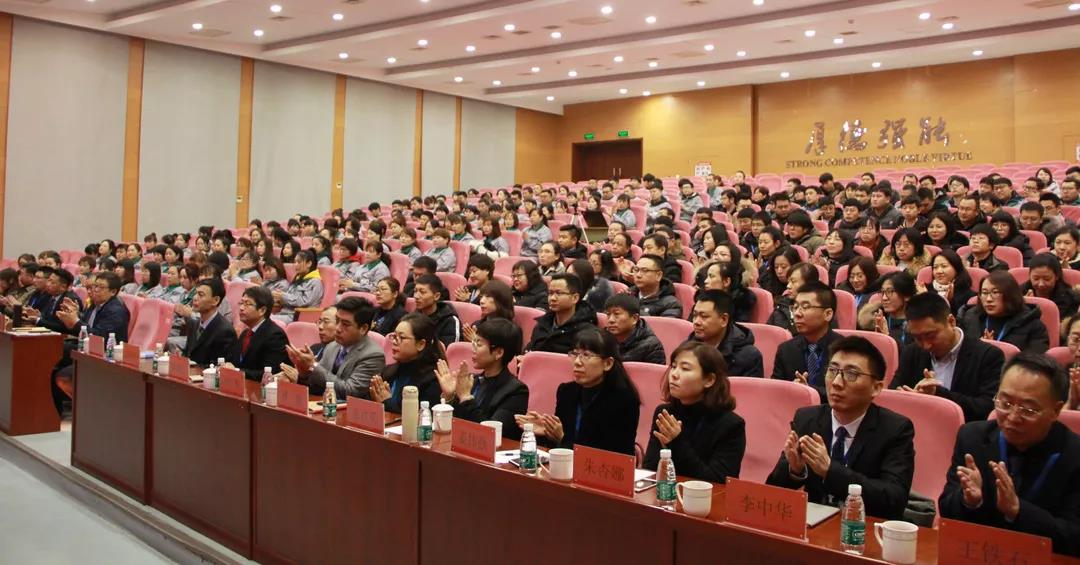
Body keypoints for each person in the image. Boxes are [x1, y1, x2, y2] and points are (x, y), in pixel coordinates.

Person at [940, 353, 1080, 557]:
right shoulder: (973, 437)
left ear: (1056, 410)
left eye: (1028, 410)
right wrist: (969, 501)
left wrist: (1018, 510)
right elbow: (946, 510)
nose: (1013, 417)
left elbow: (1074, 537)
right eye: (1005, 404)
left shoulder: (1074, 455)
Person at [767, 335, 915, 519]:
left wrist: (830, 471)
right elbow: (771, 492)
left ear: (876, 388)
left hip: (863, 527)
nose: (836, 382)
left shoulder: (895, 429)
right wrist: (796, 471)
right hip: (815, 526)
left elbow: (894, 499)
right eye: (832, 370)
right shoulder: (807, 418)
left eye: (851, 374)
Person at [516, 328, 641, 456]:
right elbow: (559, 446)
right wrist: (547, 431)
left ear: (607, 363)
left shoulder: (624, 400)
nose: (577, 362)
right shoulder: (566, 392)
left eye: (586, 355)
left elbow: (610, 455)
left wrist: (562, 438)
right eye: (575, 354)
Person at [891, 293, 1005, 422]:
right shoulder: (912, 352)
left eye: (931, 336)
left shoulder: (988, 356)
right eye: (917, 338)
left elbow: (987, 408)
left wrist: (937, 395)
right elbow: (893, 391)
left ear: (951, 321)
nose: (926, 345)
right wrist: (904, 398)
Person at [643, 341, 745, 483]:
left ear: (709, 380)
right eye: (673, 367)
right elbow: (650, 470)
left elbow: (717, 482)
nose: (674, 374)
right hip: (664, 492)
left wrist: (676, 442)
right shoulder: (665, 413)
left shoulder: (731, 425)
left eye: (685, 369)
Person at [436, 318, 529, 440]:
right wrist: (449, 397)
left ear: (498, 353)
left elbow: (490, 435)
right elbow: (455, 423)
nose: (473, 349)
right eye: (473, 343)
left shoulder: (516, 391)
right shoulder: (473, 380)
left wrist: (465, 398)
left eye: (479, 345)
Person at [282, 297, 386, 399]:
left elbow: (351, 392)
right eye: (337, 321)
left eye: (345, 324)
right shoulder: (332, 346)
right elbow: (317, 386)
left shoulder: (373, 355)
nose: (338, 328)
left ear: (363, 328)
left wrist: (313, 365)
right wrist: (303, 372)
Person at [773, 281, 840, 402]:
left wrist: (807, 391)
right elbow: (775, 392)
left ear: (828, 314)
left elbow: (849, 393)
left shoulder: (845, 351)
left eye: (805, 307)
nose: (797, 314)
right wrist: (791, 389)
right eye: (795, 307)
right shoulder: (786, 349)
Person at [368, 313, 445, 412]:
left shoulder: (432, 380)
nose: (394, 342)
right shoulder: (388, 371)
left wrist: (387, 402)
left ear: (420, 344)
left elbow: (421, 417)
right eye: (394, 336)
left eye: (402, 338)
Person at [958, 271, 1049, 354]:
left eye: (995, 292)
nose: (989, 299)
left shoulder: (1032, 324)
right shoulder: (970, 318)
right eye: (984, 293)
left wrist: (999, 350)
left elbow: (1035, 361)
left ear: (1010, 295)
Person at [688, 289, 764, 377]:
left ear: (724, 319)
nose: (696, 322)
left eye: (704, 316)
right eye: (694, 315)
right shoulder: (689, 346)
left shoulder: (749, 356)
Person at [225, 286, 290, 381]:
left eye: (247, 304)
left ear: (262, 310)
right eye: (241, 303)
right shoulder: (245, 333)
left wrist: (236, 371)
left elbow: (270, 374)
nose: (241, 308)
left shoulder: (275, 336)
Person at [526, 274, 598, 354]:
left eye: (559, 293)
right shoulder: (543, 324)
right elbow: (529, 350)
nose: (552, 298)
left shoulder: (587, 332)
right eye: (550, 293)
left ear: (575, 298)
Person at [181, 278, 237, 367]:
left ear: (215, 300)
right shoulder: (194, 323)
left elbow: (219, 367)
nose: (195, 298)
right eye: (195, 293)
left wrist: (193, 366)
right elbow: (187, 354)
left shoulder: (225, 331)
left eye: (201, 295)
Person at [603, 294, 666, 365]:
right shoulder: (602, 338)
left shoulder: (652, 346)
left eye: (616, 314)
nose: (610, 320)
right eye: (608, 314)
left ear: (635, 318)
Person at [858, 271, 915, 348]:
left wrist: (887, 338)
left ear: (906, 295)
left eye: (890, 291)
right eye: (883, 292)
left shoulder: (917, 326)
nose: (884, 298)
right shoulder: (872, 321)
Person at [1021, 253, 1080, 320]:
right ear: (1029, 276)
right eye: (1036, 279)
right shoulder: (1019, 293)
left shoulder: (1070, 299)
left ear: (1057, 276)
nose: (1041, 284)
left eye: (1047, 279)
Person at [271, 249, 323, 324]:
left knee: (264, 321)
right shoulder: (298, 278)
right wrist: (279, 297)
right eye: (294, 262)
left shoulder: (315, 282)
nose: (295, 265)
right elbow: (290, 297)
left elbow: (304, 302)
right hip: (283, 313)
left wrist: (283, 296)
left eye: (299, 262)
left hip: (295, 316)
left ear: (309, 263)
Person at [412, 274, 462, 347]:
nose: (416, 296)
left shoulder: (450, 321)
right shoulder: (413, 317)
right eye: (415, 291)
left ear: (436, 296)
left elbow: (449, 350)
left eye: (422, 292)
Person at [923, 249, 977, 316]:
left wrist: (950, 301)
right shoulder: (925, 290)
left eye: (944, 266)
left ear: (956, 268)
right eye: (935, 267)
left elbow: (963, 319)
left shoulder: (968, 295)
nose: (939, 271)